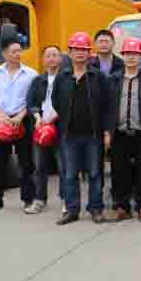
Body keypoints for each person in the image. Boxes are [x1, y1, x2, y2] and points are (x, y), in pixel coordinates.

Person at [53, 32, 114, 225]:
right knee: (70, 175)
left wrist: (107, 131)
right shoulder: (62, 77)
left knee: (95, 174)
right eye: (76, 49)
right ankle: (72, 210)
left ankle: (96, 209)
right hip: (69, 135)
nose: (80, 53)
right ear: (70, 53)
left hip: (93, 135)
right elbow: (56, 101)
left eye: (84, 50)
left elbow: (108, 106)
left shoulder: (98, 77)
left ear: (89, 53)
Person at [0, 34, 37, 212]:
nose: (18, 54)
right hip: (1, 120)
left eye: (19, 51)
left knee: (26, 162)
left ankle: (29, 199)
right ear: (4, 54)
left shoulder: (31, 74)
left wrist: (21, 115)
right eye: (14, 51)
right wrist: (1, 115)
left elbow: (35, 99)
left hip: (23, 119)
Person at [108, 37, 141, 223]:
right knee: (119, 171)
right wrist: (107, 131)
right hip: (119, 133)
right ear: (123, 56)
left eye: (135, 54)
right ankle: (122, 207)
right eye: (128, 54)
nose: (131, 57)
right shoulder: (113, 79)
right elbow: (107, 107)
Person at [25, 45, 64, 214]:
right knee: (40, 167)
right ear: (43, 60)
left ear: (60, 58)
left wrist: (52, 118)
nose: (51, 58)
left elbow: (68, 102)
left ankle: (66, 199)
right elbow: (30, 102)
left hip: (61, 128)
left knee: (64, 167)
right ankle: (40, 200)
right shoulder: (37, 81)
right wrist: (37, 117)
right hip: (41, 127)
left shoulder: (67, 79)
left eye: (55, 55)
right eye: (48, 55)